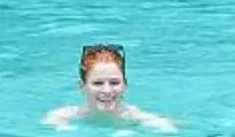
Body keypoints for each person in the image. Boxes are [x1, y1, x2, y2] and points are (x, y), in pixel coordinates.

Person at [47, 44, 176, 132]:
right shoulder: (62, 117)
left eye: (114, 83)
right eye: (98, 83)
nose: (107, 90)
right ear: (82, 87)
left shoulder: (138, 118)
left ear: (125, 85)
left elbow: (167, 129)